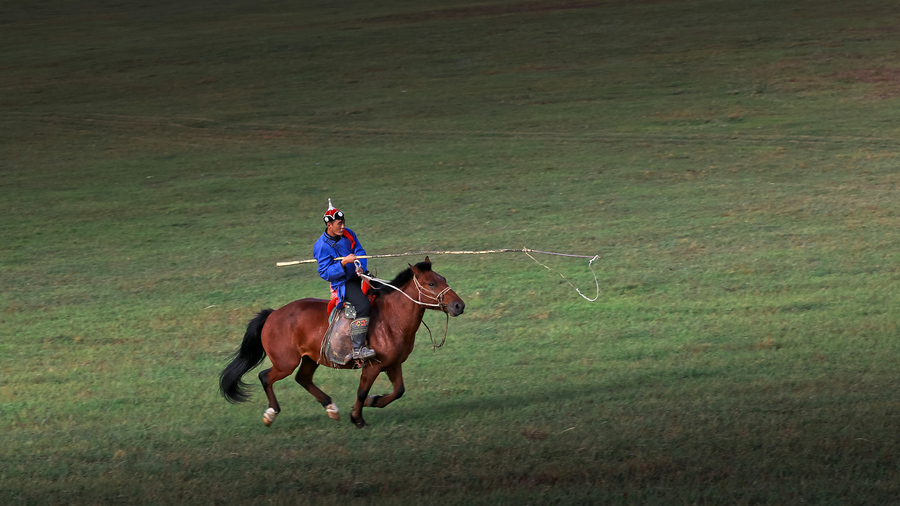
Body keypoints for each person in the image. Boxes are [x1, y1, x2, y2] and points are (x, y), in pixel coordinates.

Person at [312, 199, 376, 360]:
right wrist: (343, 263)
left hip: (359, 275)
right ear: (329, 225)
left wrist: (360, 265)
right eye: (339, 224)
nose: (342, 226)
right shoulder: (321, 246)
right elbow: (325, 273)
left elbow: (360, 251)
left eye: (343, 222)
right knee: (363, 305)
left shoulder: (348, 234)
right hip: (343, 283)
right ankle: (358, 349)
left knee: (383, 293)